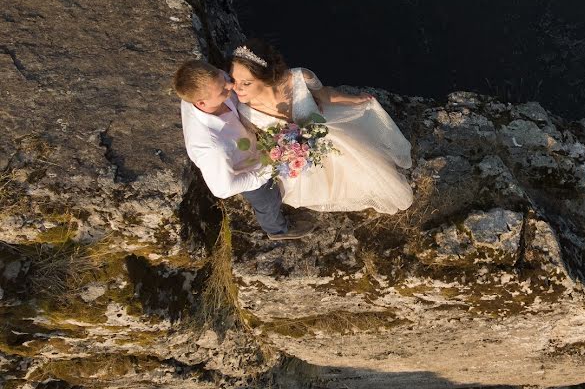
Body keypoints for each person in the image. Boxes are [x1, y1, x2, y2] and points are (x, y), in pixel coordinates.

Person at [228, 39, 413, 214]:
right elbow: (258, 146)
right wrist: (283, 153)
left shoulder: (300, 77)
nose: (236, 88)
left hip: (328, 136)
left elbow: (325, 95)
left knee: (364, 172)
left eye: (246, 83)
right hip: (298, 159)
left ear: (266, 78)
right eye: (233, 80)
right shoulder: (245, 111)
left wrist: (355, 99)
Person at [173, 59, 313, 240]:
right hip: (246, 168)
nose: (231, 85)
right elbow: (222, 189)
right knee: (267, 201)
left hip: (251, 145)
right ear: (201, 103)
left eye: (223, 77)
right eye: (222, 90)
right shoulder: (211, 147)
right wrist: (263, 174)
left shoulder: (207, 89)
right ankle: (277, 230)